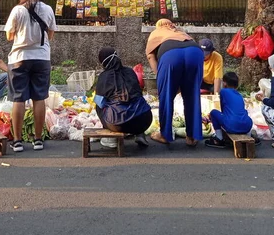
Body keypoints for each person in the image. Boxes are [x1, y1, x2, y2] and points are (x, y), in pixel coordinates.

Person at [5, 0, 56, 152]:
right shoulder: (48, 9)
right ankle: (38, 139)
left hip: (19, 58)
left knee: (18, 99)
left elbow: (9, 35)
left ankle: (17, 141)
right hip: (41, 58)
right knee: (39, 97)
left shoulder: (17, 10)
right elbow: (50, 34)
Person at [146, 18, 203, 147]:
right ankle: (192, 136)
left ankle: (165, 135)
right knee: (192, 95)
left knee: (166, 97)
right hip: (195, 52)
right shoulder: (180, 32)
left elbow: (150, 56)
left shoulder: (156, 33)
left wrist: (161, 77)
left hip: (171, 54)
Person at [95, 47, 152, 148]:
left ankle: (111, 138)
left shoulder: (104, 76)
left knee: (98, 105)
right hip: (144, 119)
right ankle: (140, 134)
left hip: (118, 123)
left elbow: (100, 101)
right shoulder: (130, 72)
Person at [204, 71, 254, 148]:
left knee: (213, 112)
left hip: (231, 125)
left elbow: (223, 110)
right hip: (247, 126)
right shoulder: (239, 95)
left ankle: (219, 138)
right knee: (245, 116)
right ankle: (249, 135)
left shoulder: (223, 91)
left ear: (224, 83)